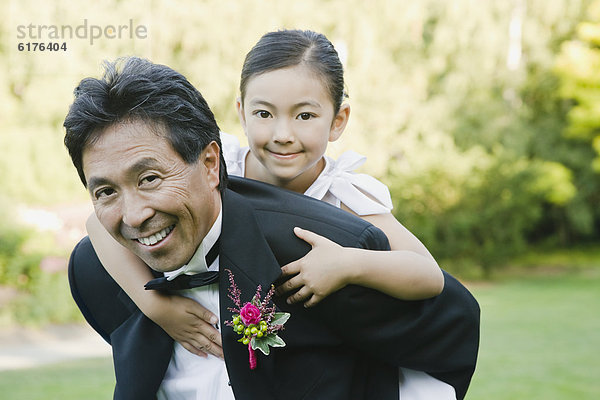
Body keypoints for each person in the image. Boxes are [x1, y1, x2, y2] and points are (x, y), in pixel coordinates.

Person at [64, 56, 479, 400]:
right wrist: (155, 306)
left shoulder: (338, 232)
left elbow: (438, 297)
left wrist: (349, 264)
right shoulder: (100, 268)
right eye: (105, 191)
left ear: (211, 166)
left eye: (150, 179)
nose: (283, 136)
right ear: (242, 114)